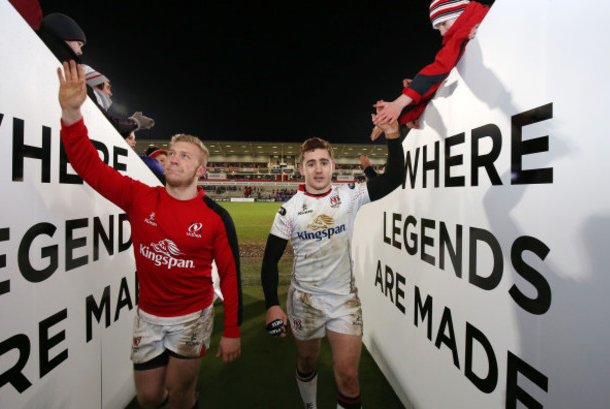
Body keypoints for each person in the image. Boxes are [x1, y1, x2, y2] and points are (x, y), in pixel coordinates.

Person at [57, 61, 242, 409]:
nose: (173, 160)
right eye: (172, 154)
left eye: (184, 157)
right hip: (149, 315)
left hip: (193, 316)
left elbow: (230, 275)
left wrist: (232, 330)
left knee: (180, 393)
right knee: (148, 396)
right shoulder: (140, 197)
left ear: (201, 170)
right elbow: (88, 166)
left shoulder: (214, 217)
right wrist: (71, 113)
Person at [261, 110, 405, 409]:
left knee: (350, 379)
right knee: (306, 362)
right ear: (301, 168)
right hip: (305, 300)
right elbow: (269, 261)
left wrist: (393, 134)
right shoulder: (288, 211)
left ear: (333, 166)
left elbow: (393, 178)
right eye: (311, 163)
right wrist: (272, 305)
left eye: (323, 162)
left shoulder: (350, 196)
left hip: (343, 300)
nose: (318, 169)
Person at [372, 0, 494, 136]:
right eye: (438, 27)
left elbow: (440, 68)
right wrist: (403, 117)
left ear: (461, 12)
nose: (442, 33)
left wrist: (399, 104)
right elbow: (436, 83)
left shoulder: (472, 26)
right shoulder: (468, 29)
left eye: (443, 23)